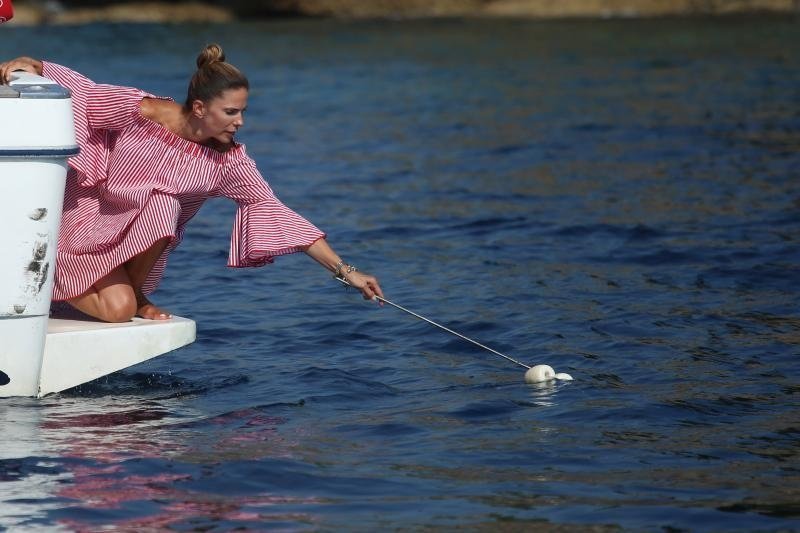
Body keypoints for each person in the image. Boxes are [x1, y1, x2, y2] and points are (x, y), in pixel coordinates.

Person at [0, 44, 383, 323]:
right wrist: (35, 66)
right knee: (162, 209)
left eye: (242, 112)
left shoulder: (227, 160)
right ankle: (39, 278)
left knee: (121, 308)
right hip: (76, 225)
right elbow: (81, 93)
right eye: (230, 112)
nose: (239, 122)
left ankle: (123, 293)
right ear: (199, 108)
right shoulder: (140, 111)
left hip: (118, 248)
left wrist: (347, 271)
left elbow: (272, 209)